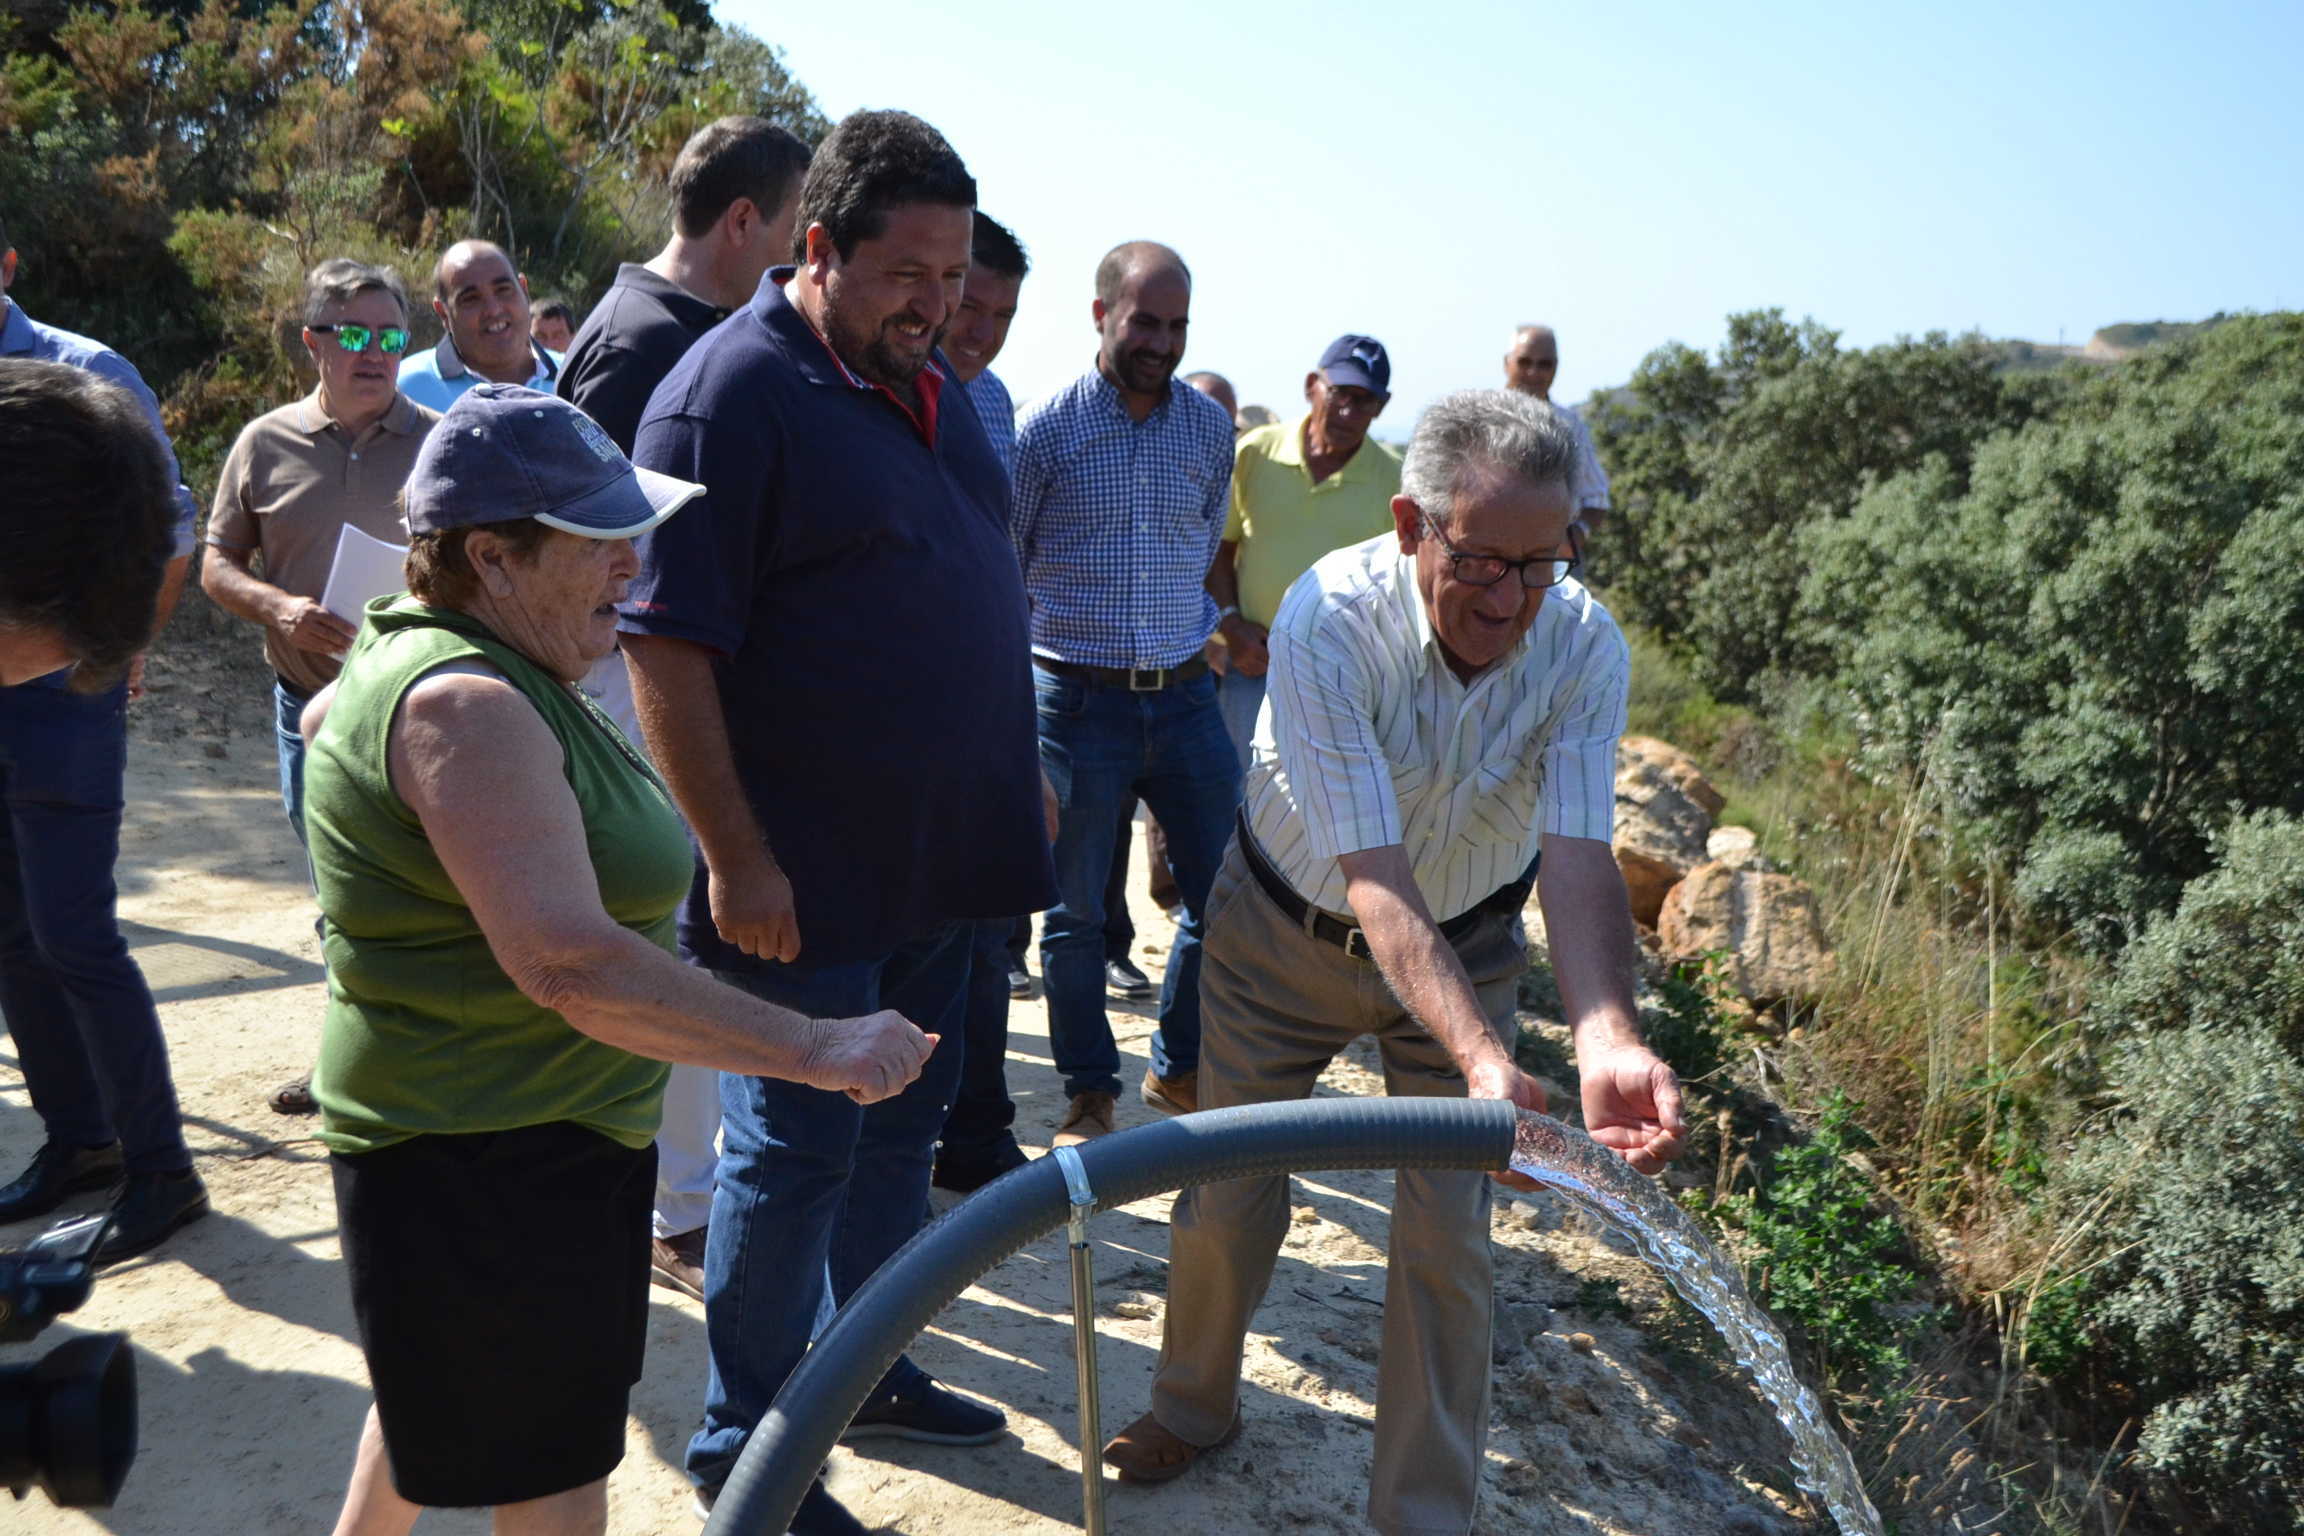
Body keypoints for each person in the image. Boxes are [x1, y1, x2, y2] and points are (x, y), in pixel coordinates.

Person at [301, 383, 935, 1536]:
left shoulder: (447, 658)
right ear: (491, 557)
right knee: (551, 1478)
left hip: (485, 1142)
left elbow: (333, 730)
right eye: (597, 538)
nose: (632, 560)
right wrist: (818, 1044)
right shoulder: (468, 703)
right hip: (494, 1157)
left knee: (428, 1399)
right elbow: (570, 969)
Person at [1101, 389, 1687, 1536]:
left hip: (1468, 940)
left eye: (1542, 563)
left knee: (1449, 1238)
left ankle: (1418, 1517)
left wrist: (1608, 1036)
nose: (1512, 600)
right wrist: (1483, 1060)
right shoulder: (1330, 618)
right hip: (1280, 938)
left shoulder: (1583, 642)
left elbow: (1575, 856)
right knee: (1226, 1195)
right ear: (1414, 523)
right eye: (1482, 563)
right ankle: (1194, 1405)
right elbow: (1373, 877)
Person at [621, 109, 1053, 1531]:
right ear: (818, 250)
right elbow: (668, 647)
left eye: (956, 279)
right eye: (908, 275)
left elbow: (960, 586)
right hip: (800, 884)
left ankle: (865, 1366)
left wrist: (1014, 756)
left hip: (943, 870)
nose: (938, 305)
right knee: (790, 1153)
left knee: (898, 1138)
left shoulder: (920, 386)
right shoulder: (726, 396)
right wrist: (738, 858)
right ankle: (749, 1448)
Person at [556, 114, 811, 1298]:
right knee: (668, 936)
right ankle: (680, 1206)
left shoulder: (705, 328)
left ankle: (690, 1187)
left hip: (700, 677)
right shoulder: (636, 341)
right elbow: (584, 540)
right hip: (635, 683)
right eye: (795, 225)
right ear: (746, 220)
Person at [0, 220, 211, 1266]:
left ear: (8, 263)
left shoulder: (84, 372)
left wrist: (113, 645)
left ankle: (161, 1169)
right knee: (10, 928)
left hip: (64, 689)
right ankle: (79, 1140)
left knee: (73, 932)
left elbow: (173, 532)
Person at [1011, 240, 1239, 1145]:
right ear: (1101, 315)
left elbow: (1202, 542)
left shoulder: (1207, 429)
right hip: (1074, 702)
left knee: (1226, 896)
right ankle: (1089, 1092)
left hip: (1185, 698)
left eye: (1178, 324)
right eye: (1146, 320)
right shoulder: (1046, 431)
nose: (1162, 341)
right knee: (1070, 920)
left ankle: (1178, 1067)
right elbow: (1008, 568)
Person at [202, 259, 440, 846]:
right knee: (330, 873)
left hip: (419, 706)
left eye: (390, 338)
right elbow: (216, 564)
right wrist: (279, 609)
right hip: (306, 705)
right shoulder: (264, 443)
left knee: (423, 883)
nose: (375, 353)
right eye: (355, 335)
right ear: (313, 343)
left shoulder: (442, 443)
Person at [930, 210, 1038, 1193]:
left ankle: (975, 1127)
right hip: (899, 708)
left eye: (1004, 313)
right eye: (972, 305)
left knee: (986, 934)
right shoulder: (877, 392)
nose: (982, 330)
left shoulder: (997, 404)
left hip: (982, 702)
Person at [1207, 334, 1402, 769]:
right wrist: (1231, 626)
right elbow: (1219, 551)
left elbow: (1403, 589)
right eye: (1340, 394)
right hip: (1255, 665)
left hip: (1346, 678)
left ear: (1381, 407)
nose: (1349, 412)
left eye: (1365, 400)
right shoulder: (1255, 453)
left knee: (1330, 810)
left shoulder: (1394, 479)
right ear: (1312, 385)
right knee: (1242, 800)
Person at [396, 240, 562, 410]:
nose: (493, 310)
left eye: (503, 290)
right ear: (443, 313)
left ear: (524, 290)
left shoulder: (575, 375)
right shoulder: (405, 391)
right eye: (471, 299)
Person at [1503, 323, 1612, 538]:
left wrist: (1577, 535)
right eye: (1524, 362)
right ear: (1507, 363)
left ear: (1556, 368)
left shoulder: (1571, 426)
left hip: (1556, 560)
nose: (1533, 372)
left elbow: (1597, 500)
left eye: (1544, 364)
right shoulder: (1479, 420)